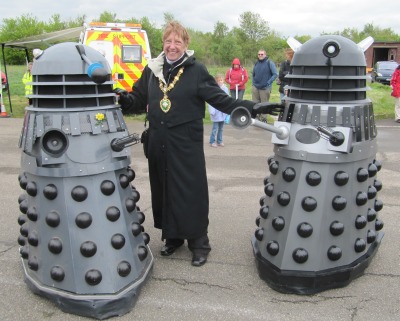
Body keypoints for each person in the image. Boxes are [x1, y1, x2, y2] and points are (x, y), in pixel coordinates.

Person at [115, 21, 282, 267]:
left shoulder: (195, 71)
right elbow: (138, 101)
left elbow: (221, 101)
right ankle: (172, 238)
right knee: (164, 189)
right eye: (168, 42)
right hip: (159, 142)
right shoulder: (152, 70)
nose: (172, 47)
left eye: (177, 42)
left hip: (185, 144)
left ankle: (199, 243)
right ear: (163, 43)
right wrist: (122, 98)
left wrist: (254, 107)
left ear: (185, 44)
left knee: (190, 192)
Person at [252, 49, 278, 122]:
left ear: (265, 55)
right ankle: (256, 117)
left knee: (264, 104)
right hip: (256, 87)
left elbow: (275, 74)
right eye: (259, 54)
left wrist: (268, 82)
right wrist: (253, 83)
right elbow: (253, 73)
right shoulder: (256, 63)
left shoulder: (269, 63)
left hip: (265, 88)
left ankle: (263, 119)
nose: (260, 55)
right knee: (255, 103)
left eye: (262, 54)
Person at [208, 73, 229, 147]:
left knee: (221, 128)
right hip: (216, 111)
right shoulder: (213, 89)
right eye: (218, 80)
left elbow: (227, 99)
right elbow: (211, 101)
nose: (220, 81)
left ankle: (219, 140)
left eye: (221, 80)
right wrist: (212, 111)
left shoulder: (225, 89)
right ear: (215, 81)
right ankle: (212, 141)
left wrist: (227, 109)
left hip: (222, 111)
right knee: (215, 128)